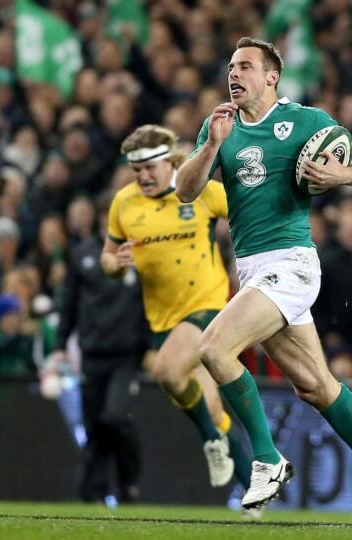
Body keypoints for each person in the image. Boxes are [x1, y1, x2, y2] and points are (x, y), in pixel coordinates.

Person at [176, 37, 352, 527]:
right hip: (254, 269)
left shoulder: (305, 121)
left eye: (245, 66)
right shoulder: (221, 126)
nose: (234, 74)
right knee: (313, 385)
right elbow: (185, 189)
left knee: (213, 349)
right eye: (230, 67)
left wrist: (341, 174)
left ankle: (267, 459)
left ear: (271, 76)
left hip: (293, 262)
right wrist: (213, 145)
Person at [100, 124, 255, 507]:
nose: (143, 177)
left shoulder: (200, 191)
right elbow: (108, 255)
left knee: (167, 371)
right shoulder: (124, 203)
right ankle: (256, 490)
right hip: (163, 320)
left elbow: (249, 204)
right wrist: (115, 265)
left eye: (150, 167)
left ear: (171, 162)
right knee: (215, 410)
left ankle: (209, 440)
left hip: (208, 305)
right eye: (137, 171)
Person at [47, 194, 150, 504]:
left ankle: (129, 478)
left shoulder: (143, 256)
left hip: (127, 354)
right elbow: (70, 302)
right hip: (92, 351)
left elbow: (154, 303)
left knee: (115, 417)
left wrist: (152, 345)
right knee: (95, 424)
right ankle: (92, 492)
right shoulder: (83, 255)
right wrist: (61, 344)